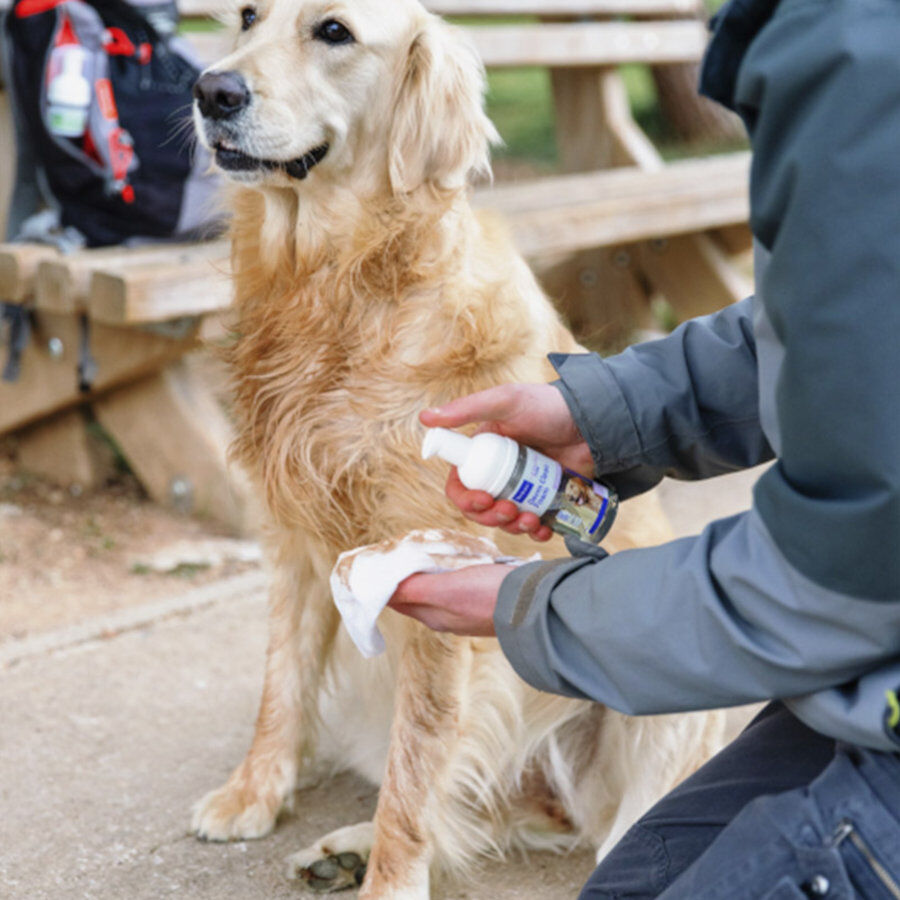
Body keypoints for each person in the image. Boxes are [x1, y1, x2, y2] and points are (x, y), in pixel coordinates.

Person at [387, 0, 900, 895]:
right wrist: (611, 413)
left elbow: (834, 585)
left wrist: (527, 608)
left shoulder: (858, 56)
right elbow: (855, 326)